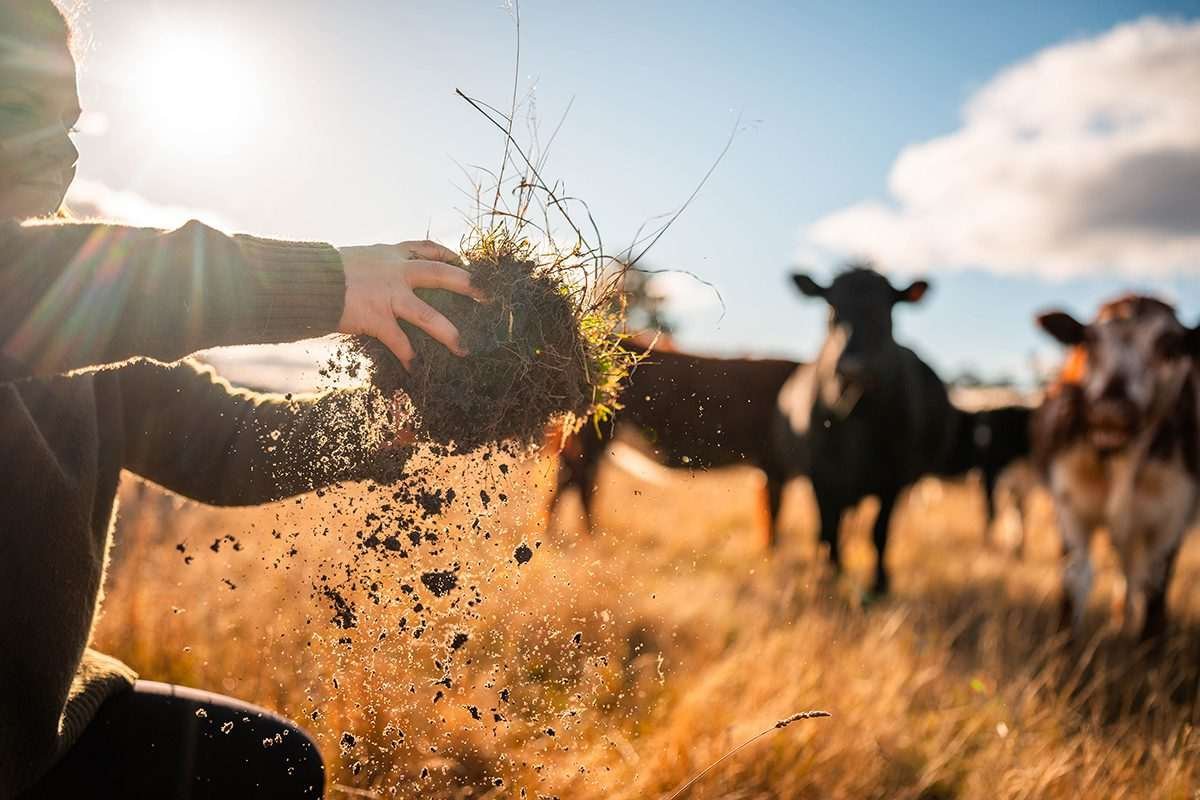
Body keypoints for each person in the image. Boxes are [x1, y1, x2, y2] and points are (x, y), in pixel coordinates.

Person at [0, 2, 481, 796]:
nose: (57, 149)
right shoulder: (40, 295)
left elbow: (226, 445)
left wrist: (389, 424)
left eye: (71, 125)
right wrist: (332, 281)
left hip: (40, 735)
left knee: (274, 766)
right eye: (20, 108)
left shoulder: (82, 339)